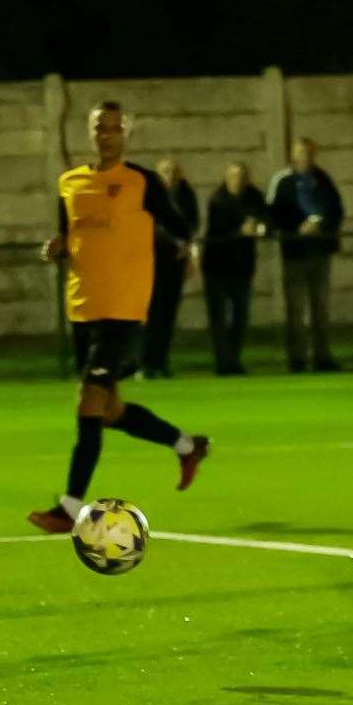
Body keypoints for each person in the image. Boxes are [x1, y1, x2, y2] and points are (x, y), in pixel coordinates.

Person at [30, 101, 211, 533]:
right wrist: (56, 248)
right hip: (83, 307)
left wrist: (186, 252)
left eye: (115, 128)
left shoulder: (141, 182)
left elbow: (180, 226)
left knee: (88, 403)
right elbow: (68, 237)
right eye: (100, 128)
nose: (107, 134)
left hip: (123, 307)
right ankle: (187, 446)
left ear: (125, 133)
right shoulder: (70, 183)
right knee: (109, 411)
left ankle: (70, 506)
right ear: (89, 132)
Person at [265, 138, 343, 372]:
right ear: (292, 155)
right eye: (300, 153)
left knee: (321, 307)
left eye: (308, 153)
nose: (304, 157)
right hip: (294, 252)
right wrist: (296, 228)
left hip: (320, 251)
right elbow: (272, 214)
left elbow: (336, 210)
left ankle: (322, 356)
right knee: (296, 309)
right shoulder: (282, 181)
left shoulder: (323, 180)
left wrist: (320, 224)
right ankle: (297, 358)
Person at [201, 161, 267, 375]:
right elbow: (217, 231)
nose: (237, 180)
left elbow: (267, 217)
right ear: (226, 178)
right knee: (218, 317)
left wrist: (260, 226)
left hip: (242, 267)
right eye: (233, 176)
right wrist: (241, 231)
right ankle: (223, 362)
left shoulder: (254, 196)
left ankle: (234, 359)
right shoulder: (218, 200)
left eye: (241, 176)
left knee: (240, 316)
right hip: (217, 266)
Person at [143, 157, 197, 378]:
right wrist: (174, 240)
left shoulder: (185, 196)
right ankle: (146, 362)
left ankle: (161, 360)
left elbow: (192, 223)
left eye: (173, 171)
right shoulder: (150, 197)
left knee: (168, 313)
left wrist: (186, 245)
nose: (170, 176)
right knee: (151, 314)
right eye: (165, 172)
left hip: (176, 261)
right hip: (154, 260)